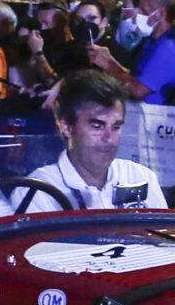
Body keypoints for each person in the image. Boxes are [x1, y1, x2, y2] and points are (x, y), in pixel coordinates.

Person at [27, 71, 163, 209]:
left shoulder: (141, 177)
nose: (109, 138)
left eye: (116, 127)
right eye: (97, 126)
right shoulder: (37, 191)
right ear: (66, 128)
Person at [86, 0, 175, 104]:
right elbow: (137, 75)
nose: (136, 15)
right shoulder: (152, 40)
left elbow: (139, 89)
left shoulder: (171, 48)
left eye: (143, 11)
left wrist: (109, 64)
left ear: (161, 13)